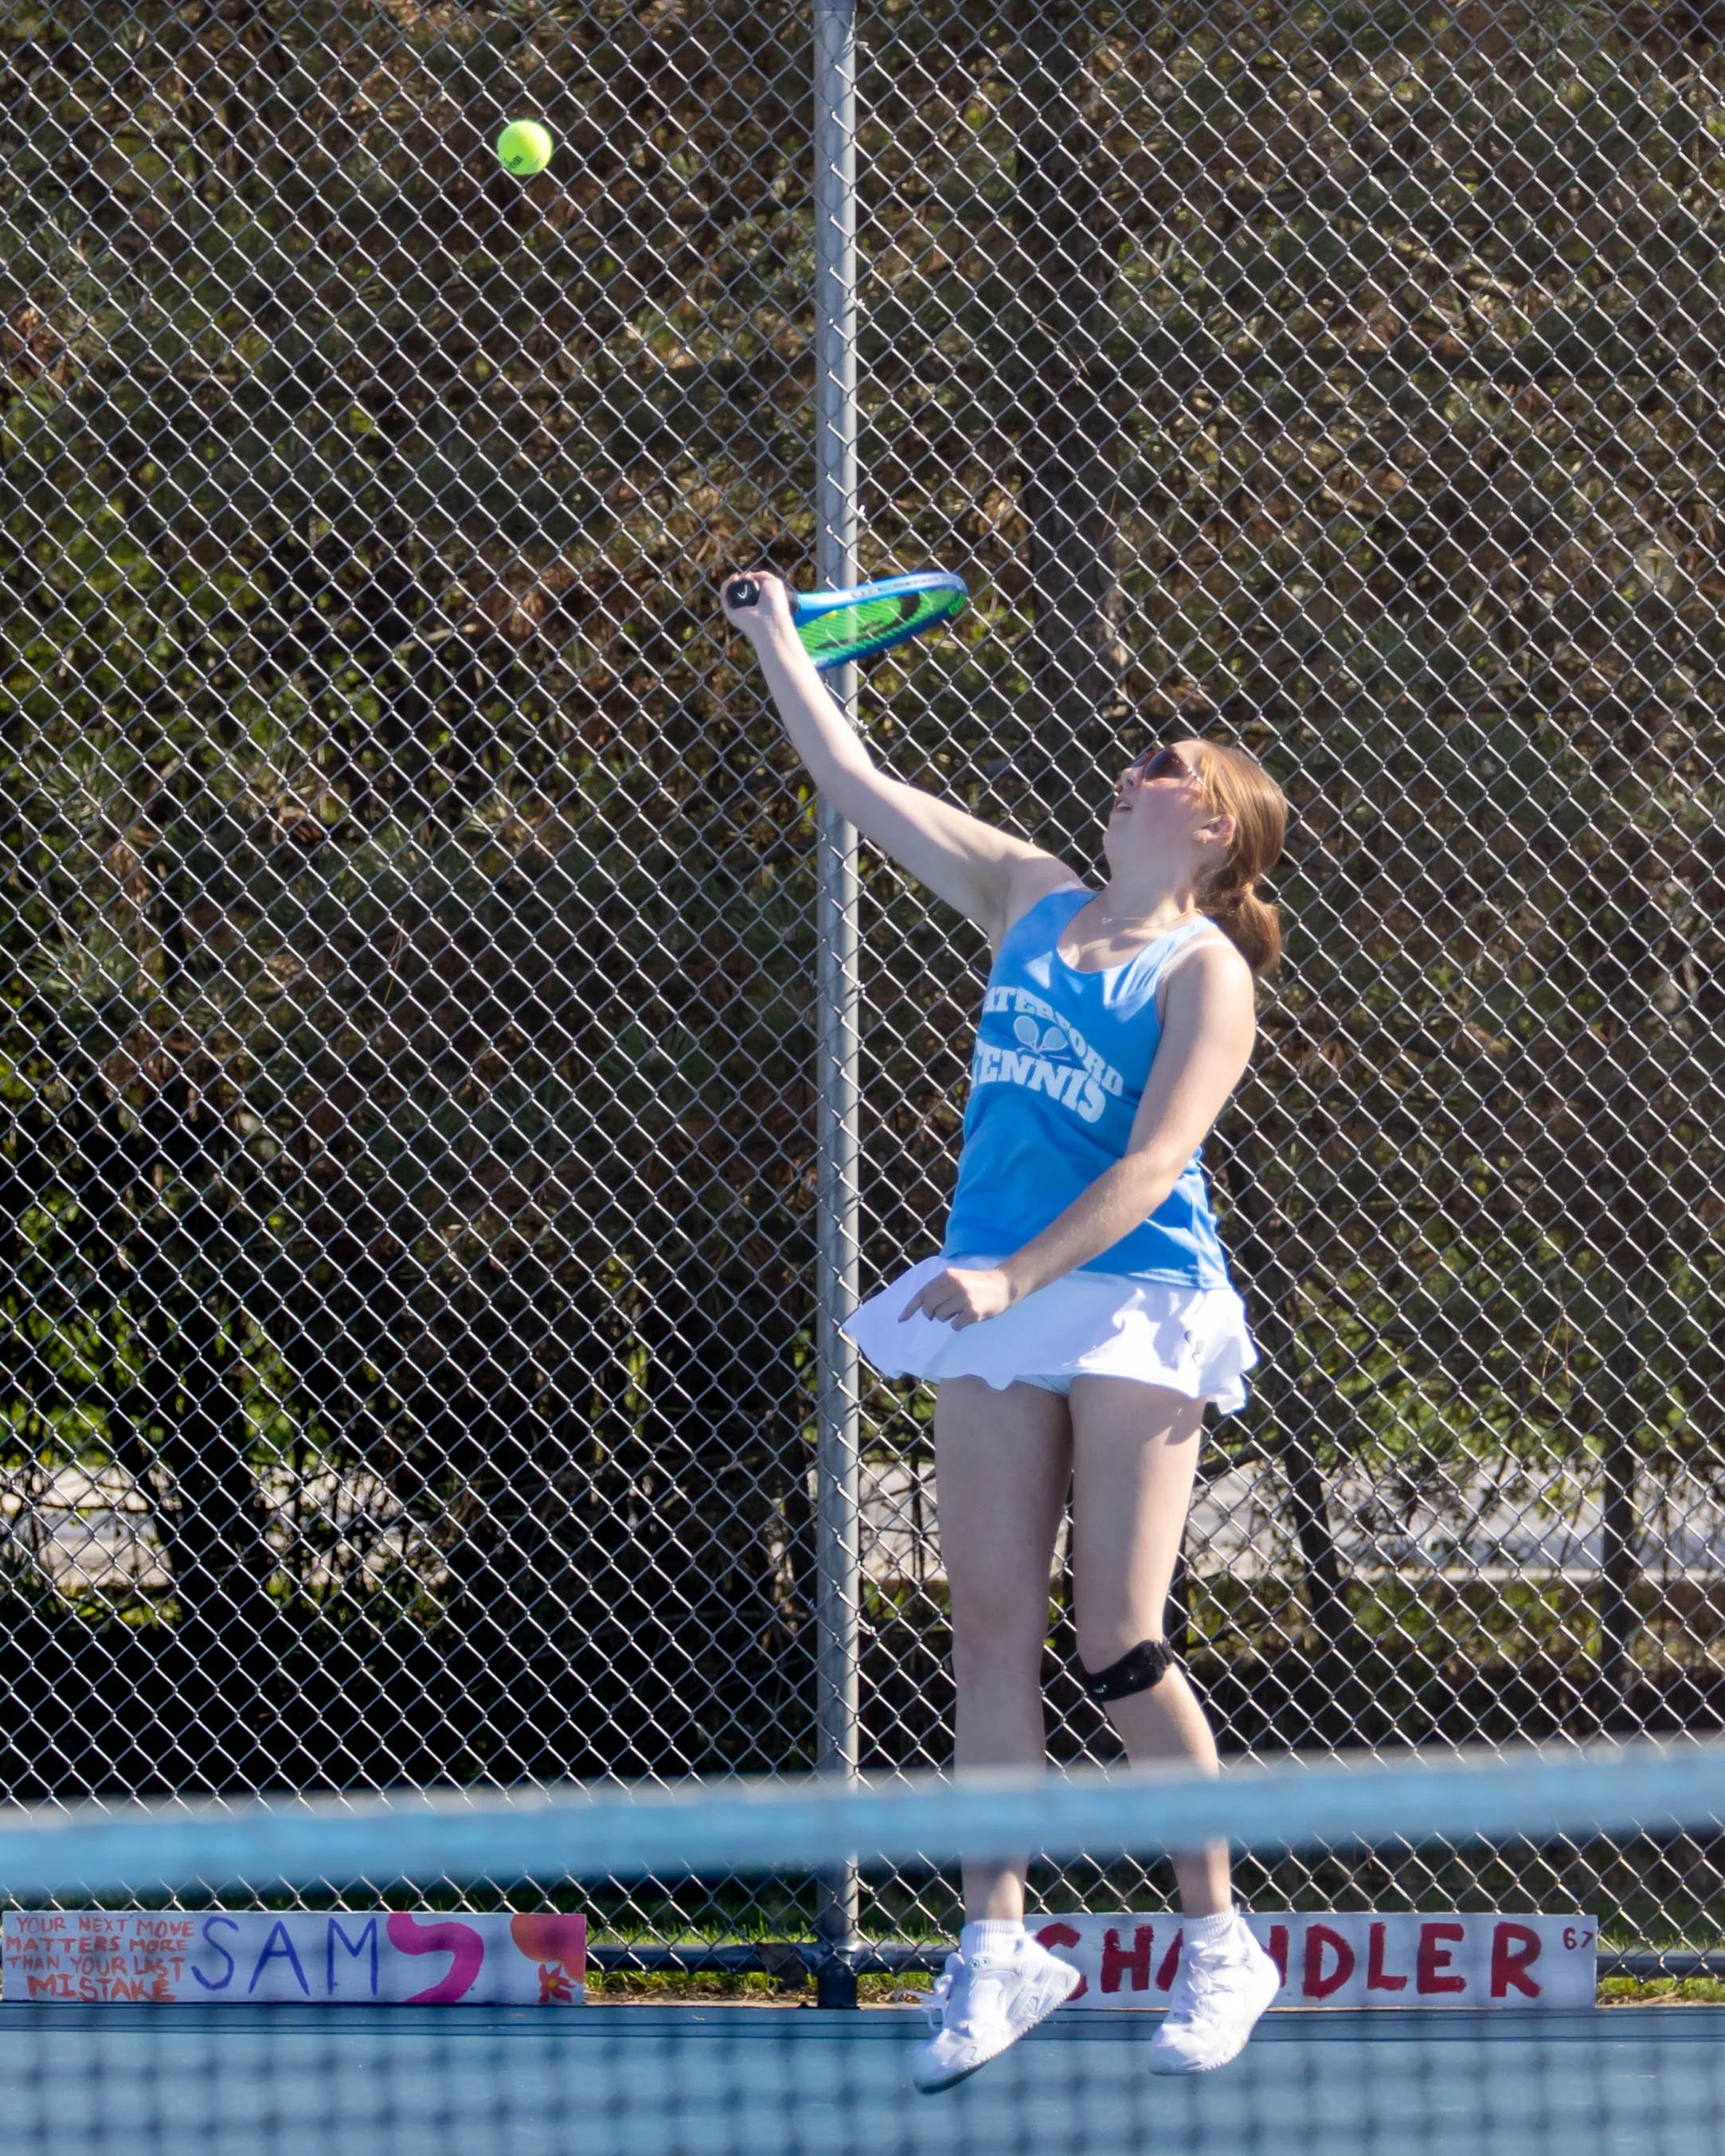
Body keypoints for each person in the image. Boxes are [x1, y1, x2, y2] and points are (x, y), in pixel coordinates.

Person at [721, 573, 1287, 2091]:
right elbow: (851, 779)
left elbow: (1152, 1166)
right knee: (985, 1634)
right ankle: (997, 1945)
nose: (1137, 765)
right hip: (997, 1293)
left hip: (1132, 1299)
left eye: (1169, 764)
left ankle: (1219, 1940)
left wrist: (1016, 1277)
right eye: (1140, 753)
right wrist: (779, 636)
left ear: (1214, 822)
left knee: (1115, 1636)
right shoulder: (1030, 896)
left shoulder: (1207, 969)